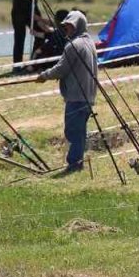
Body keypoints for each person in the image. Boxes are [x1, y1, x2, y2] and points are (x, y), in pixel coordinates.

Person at [37, 11, 98, 175]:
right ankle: (77, 162)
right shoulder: (90, 42)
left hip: (77, 96)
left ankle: (74, 165)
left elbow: (61, 69)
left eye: (70, 26)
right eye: (65, 26)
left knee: (73, 131)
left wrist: (44, 76)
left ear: (79, 26)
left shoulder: (73, 45)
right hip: (89, 95)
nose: (67, 29)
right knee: (79, 131)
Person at [8, 0, 38, 72]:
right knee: (19, 37)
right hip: (19, 10)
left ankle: (35, 61)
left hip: (33, 8)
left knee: (41, 33)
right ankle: (17, 66)